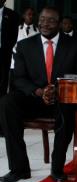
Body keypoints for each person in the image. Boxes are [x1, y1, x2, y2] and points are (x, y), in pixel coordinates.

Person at [0, 6, 77, 182]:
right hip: (33, 98)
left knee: (67, 112)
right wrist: (38, 91)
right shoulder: (24, 46)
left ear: (59, 23)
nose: (44, 24)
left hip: (61, 99)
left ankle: (57, 169)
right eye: (42, 19)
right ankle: (19, 168)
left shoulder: (75, 44)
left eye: (50, 20)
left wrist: (58, 90)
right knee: (6, 103)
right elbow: (18, 78)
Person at [0, 0, 19, 136]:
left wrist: (5, 49)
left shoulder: (12, 15)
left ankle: (0, 127)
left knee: (1, 89)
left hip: (3, 56)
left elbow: (14, 36)